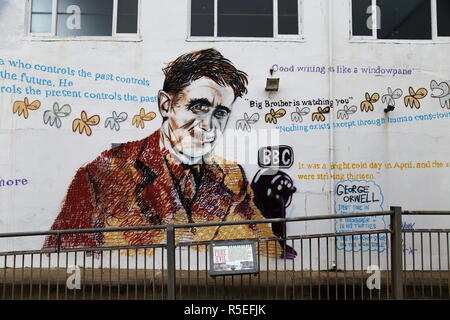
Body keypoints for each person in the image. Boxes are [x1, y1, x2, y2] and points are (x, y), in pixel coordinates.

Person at [43, 49, 280, 256]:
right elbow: (63, 255)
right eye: (198, 107)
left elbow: (267, 247)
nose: (208, 125)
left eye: (220, 113)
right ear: (165, 105)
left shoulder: (231, 177)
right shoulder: (102, 174)